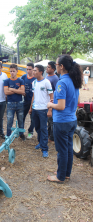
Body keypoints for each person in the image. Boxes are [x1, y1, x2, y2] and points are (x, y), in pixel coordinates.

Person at [47, 54, 82, 183]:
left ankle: (60, 176)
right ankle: (66, 173)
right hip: (71, 120)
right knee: (67, 148)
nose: (56, 67)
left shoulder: (62, 82)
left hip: (62, 121)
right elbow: (76, 100)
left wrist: (51, 104)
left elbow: (61, 106)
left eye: (56, 65)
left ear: (61, 66)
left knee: (62, 150)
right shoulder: (74, 79)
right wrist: (55, 100)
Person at [29, 65, 53, 157]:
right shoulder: (34, 82)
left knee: (43, 129)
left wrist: (50, 109)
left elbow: (51, 96)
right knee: (37, 128)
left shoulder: (46, 82)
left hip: (43, 110)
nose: (33, 72)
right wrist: (31, 108)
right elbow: (33, 96)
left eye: (35, 71)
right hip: (35, 109)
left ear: (41, 72)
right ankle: (40, 143)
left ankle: (44, 149)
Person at [4, 64, 26, 140]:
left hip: (19, 103)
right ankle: (8, 135)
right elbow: (6, 92)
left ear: (17, 71)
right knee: (9, 120)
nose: (12, 72)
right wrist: (18, 90)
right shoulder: (7, 81)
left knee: (21, 120)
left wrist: (12, 89)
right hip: (10, 103)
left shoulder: (21, 80)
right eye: (11, 71)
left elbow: (23, 91)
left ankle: (21, 135)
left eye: (13, 71)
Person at [21, 63, 36, 139]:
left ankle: (30, 131)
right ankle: (21, 132)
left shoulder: (35, 78)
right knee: (22, 117)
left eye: (30, 69)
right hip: (25, 101)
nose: (28, 71)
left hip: (33, 101)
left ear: (33, 69)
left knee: (33, 118)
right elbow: (19, 85)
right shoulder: (23, 77)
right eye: (27, 69)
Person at [46, 61, 59, 142]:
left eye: (48, 67)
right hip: (47, 102)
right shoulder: (47, 76)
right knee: (48, 120)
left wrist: (52, 103)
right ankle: (49, 134)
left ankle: (52, 137)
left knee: (52, 121)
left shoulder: (55, 78)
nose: (47, 68)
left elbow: (56, 91)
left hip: (52, 102)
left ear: (53, 69)